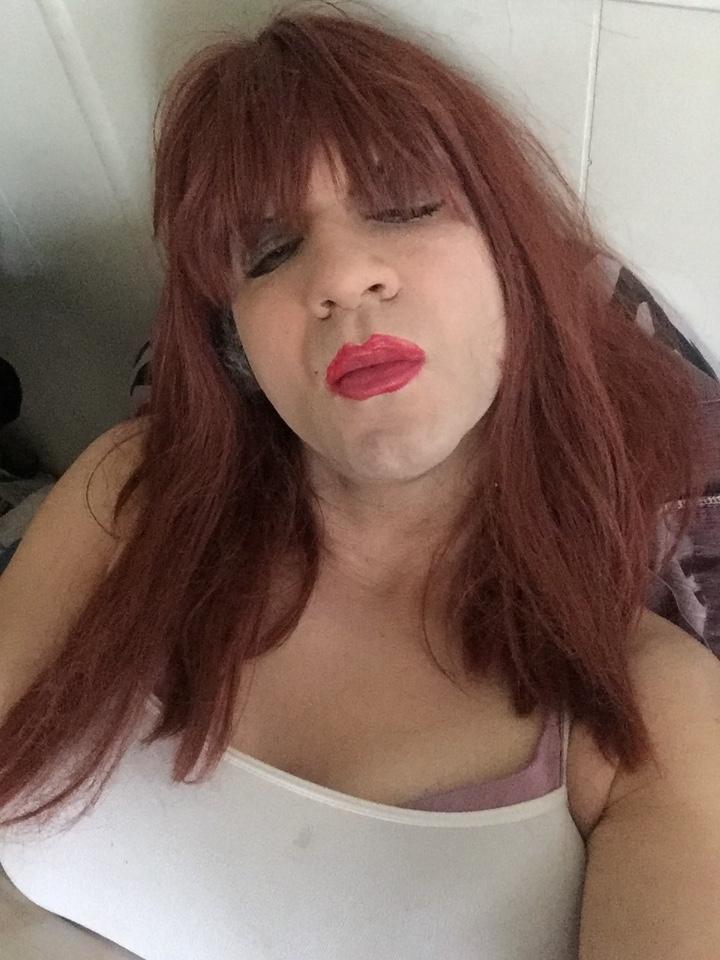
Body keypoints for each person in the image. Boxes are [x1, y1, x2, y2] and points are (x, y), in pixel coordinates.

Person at [0, 4, 719, 958]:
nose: (341, 277)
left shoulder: (648, 710)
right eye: (270, 251)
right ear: (236, 340)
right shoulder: (125, 498)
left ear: (518, 270)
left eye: (406, 206)